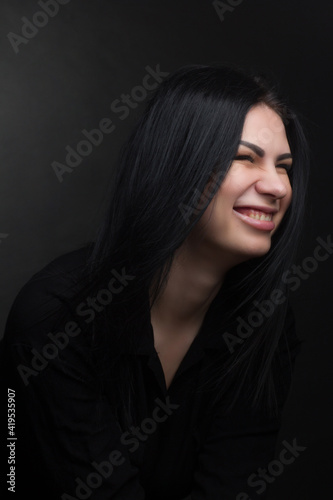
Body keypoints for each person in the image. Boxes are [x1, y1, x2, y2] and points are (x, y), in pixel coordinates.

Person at [2, 63, 310, 500]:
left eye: (284, 166)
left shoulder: (263, 324)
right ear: (177, 165)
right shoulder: (55, 317)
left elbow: (231, 483)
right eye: (245, 157)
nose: (278, 186)